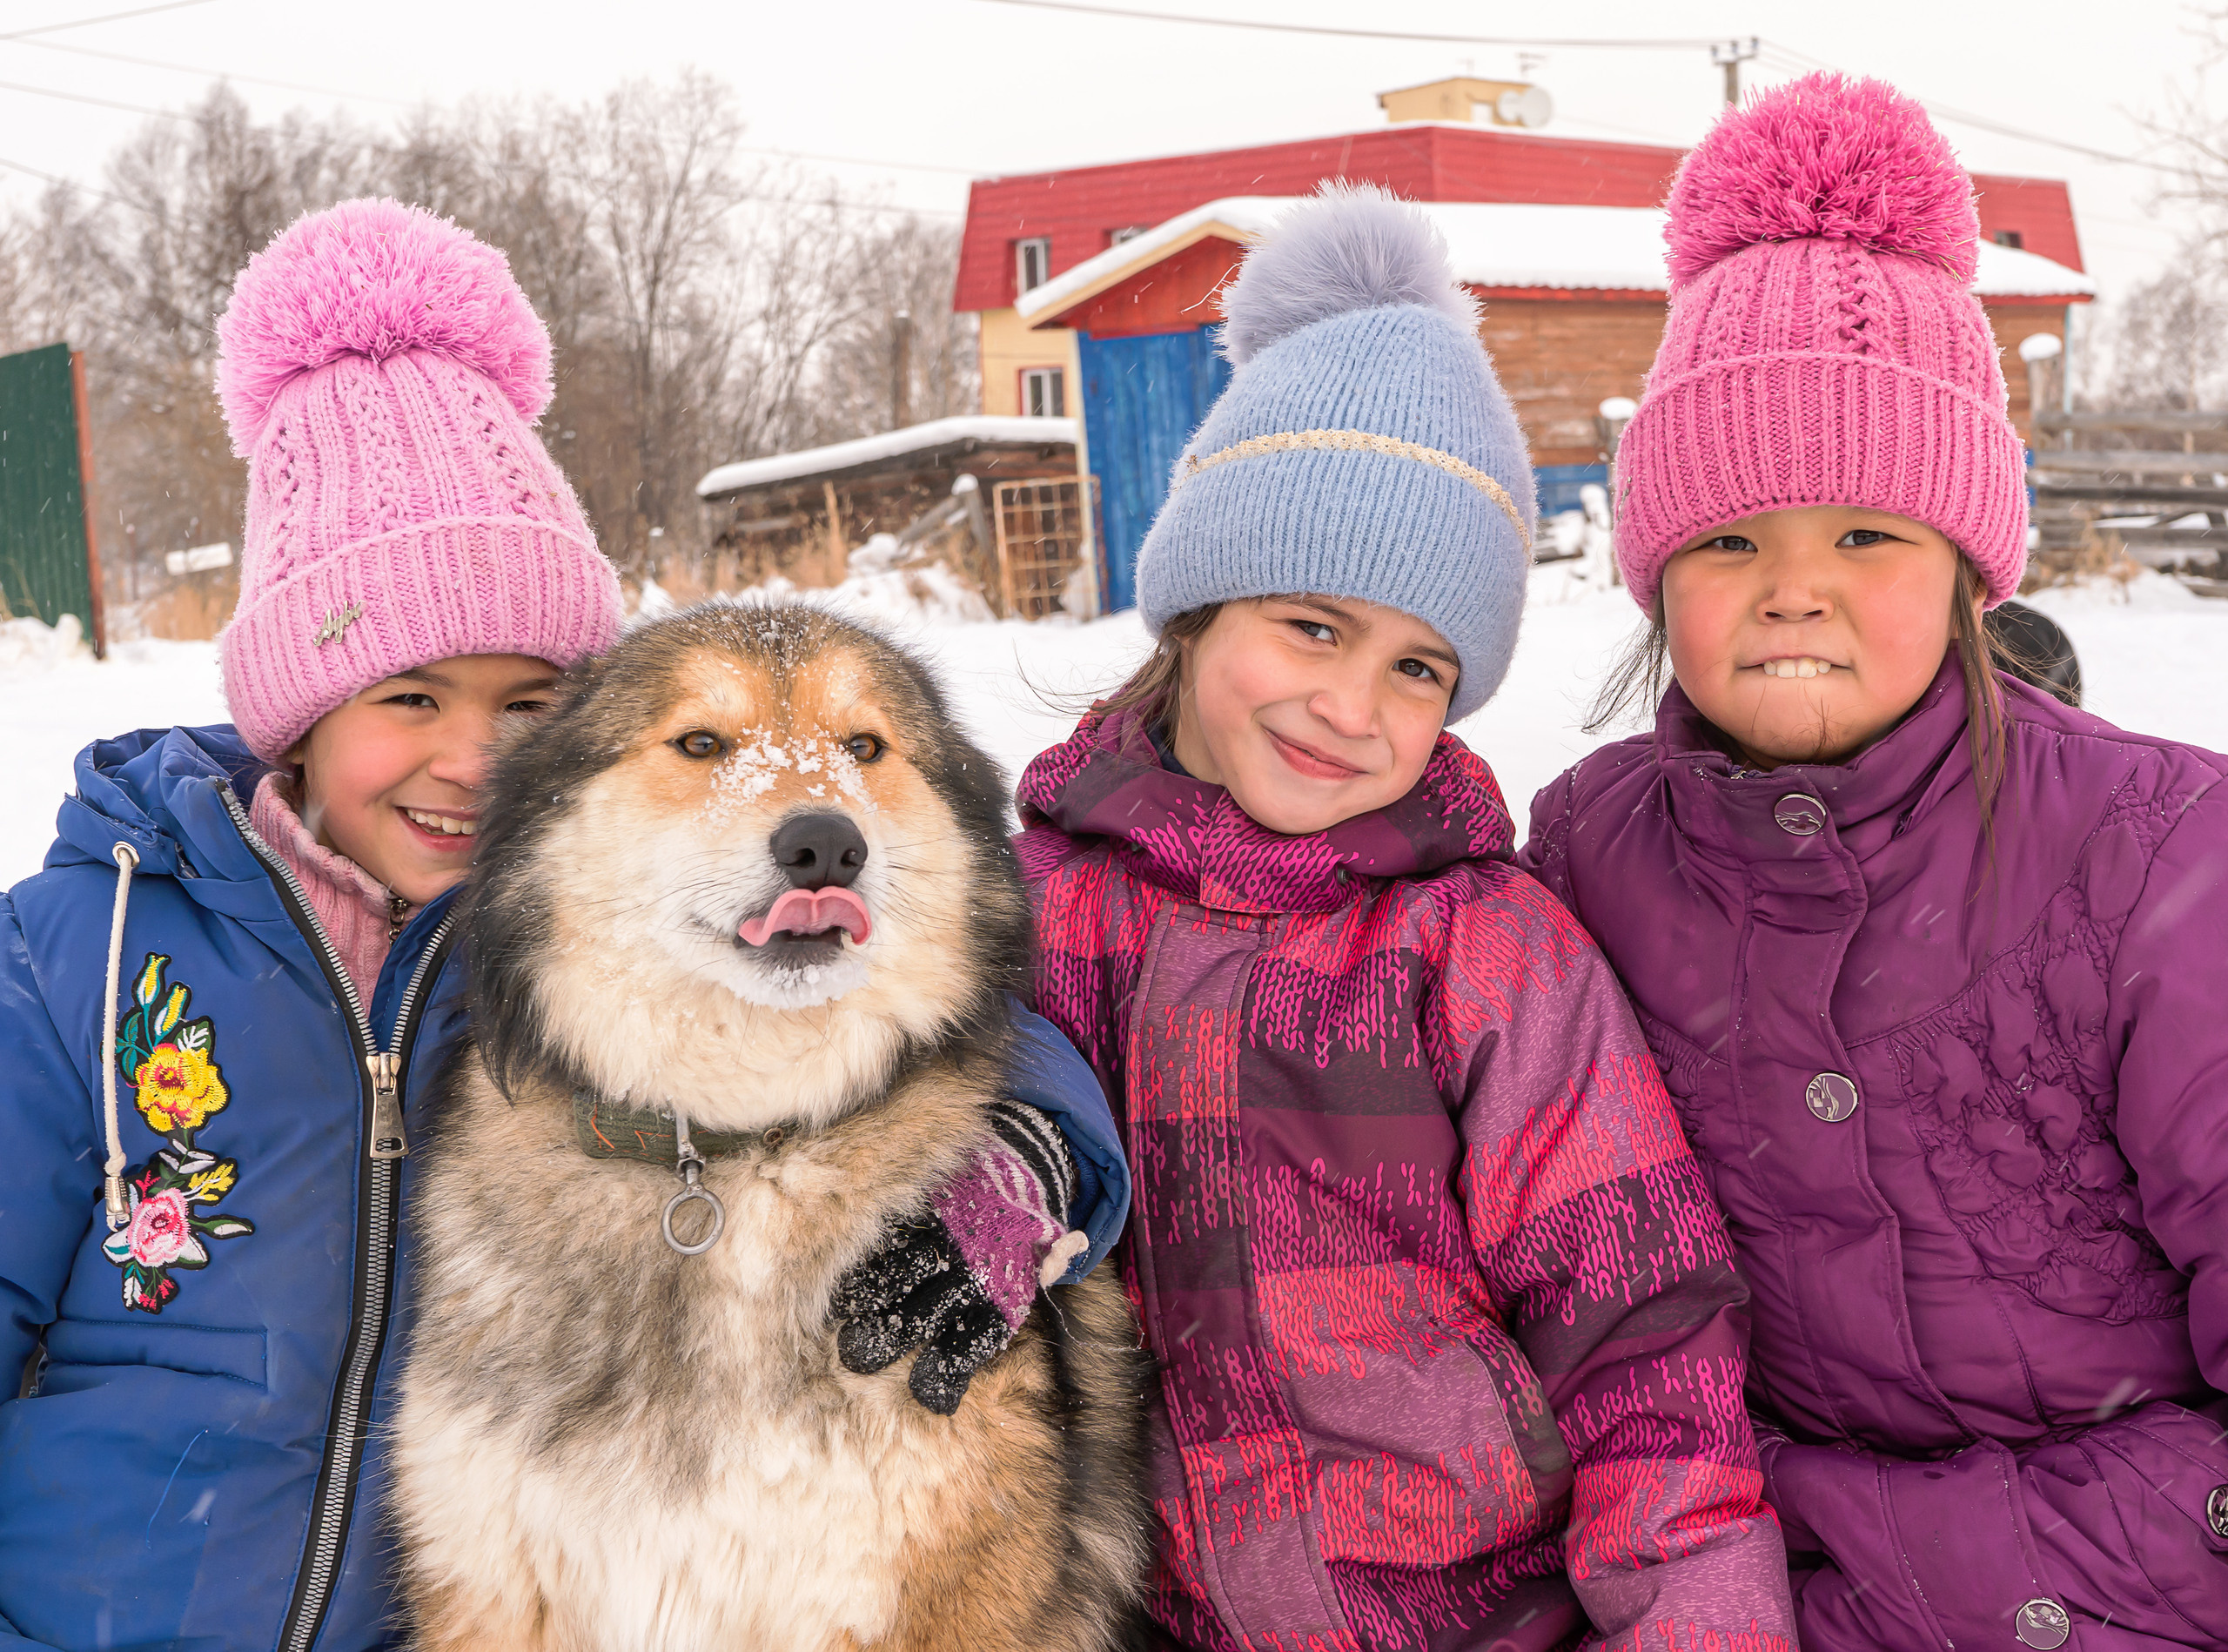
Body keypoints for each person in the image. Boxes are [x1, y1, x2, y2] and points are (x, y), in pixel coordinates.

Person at [0, 199, 1125, 1652]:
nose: (470, 758)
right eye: (407, 697)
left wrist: (1037, 1151)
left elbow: (930, 1009)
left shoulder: (590, 939)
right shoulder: (74, 960)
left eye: (527, 703)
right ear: (296, 712)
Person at [1017, 184, 1794, 1652]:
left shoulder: (1483, 946)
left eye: (1420, 667)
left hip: (1483, 1615)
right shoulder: (1038, 910)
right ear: (1195, 607)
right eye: (1311, 626)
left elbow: (1640, 1331)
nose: (1351, 709)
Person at [1520, 73, 2228, 1651]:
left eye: (1866, 536)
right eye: (1728, 540)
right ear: (1653, 577)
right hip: (1741, 1574)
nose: (1790, 592)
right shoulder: (1585, 852)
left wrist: (1917, 1557)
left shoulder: (2167, 854)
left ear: (1972, 572)